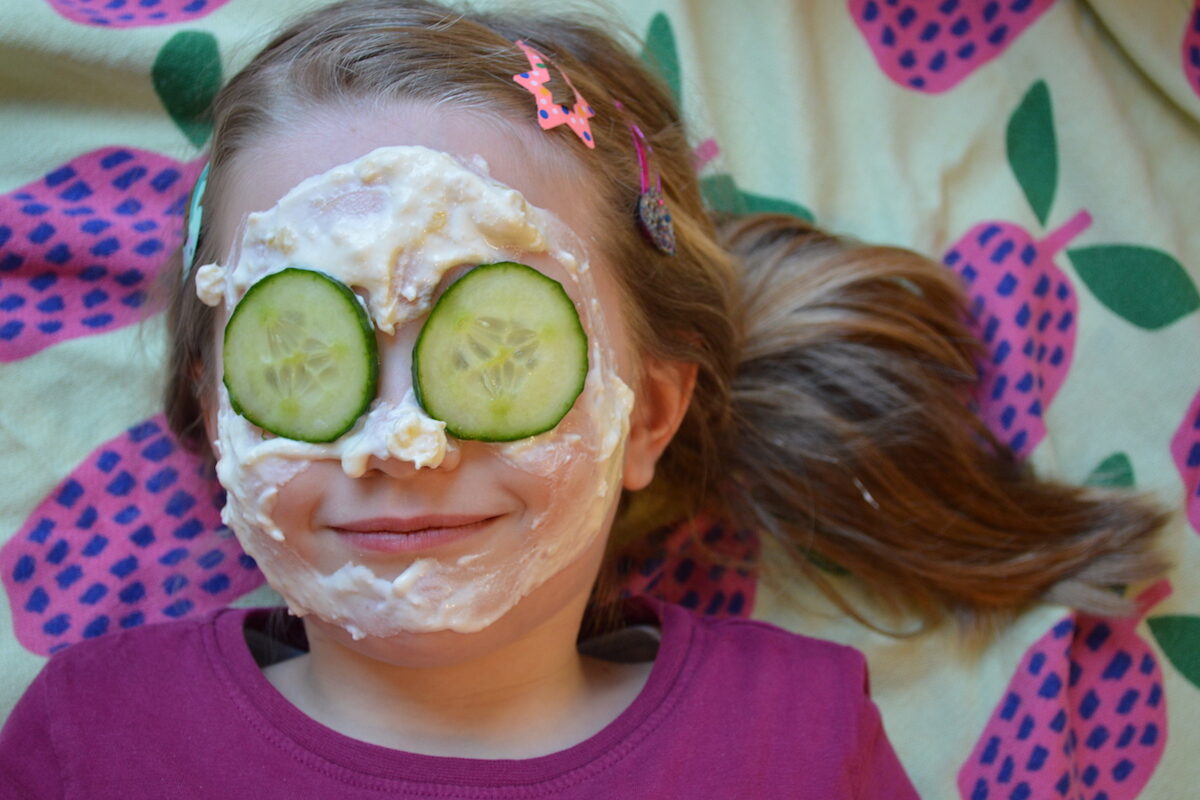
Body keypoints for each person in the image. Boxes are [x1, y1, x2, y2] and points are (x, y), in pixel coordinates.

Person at [0, 0, 1165, 796]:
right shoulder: (88, 735)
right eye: (306, 351)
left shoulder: (799, 738)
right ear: (219, 412)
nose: (400, 442)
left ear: (647, 414)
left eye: (496, 349)